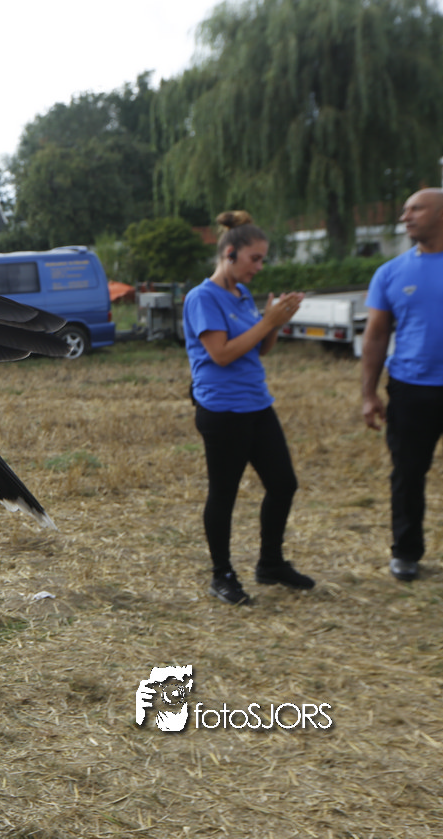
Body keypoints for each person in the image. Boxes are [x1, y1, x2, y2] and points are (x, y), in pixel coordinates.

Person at [182, 210, 315, 605]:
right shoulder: (202, 297)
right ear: (230, 253)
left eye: (262, 259)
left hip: (257, 404)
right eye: (254, 258)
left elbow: (259, 348)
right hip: (223, 411)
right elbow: (221, 354)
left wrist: (276, 321)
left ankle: (270, 564)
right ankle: (221, 575)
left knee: (283, 484)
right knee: (224, 493)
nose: (259, 266)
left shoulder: (241, 294)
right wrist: (267, 320)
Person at [361, 187, 443, 582]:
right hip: (412, 390)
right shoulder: (391, 272)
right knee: (408, 474)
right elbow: (376, 335)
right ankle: (406, 552)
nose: (404, 217)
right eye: (405, 210)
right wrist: (368, 393)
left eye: (416, 209)